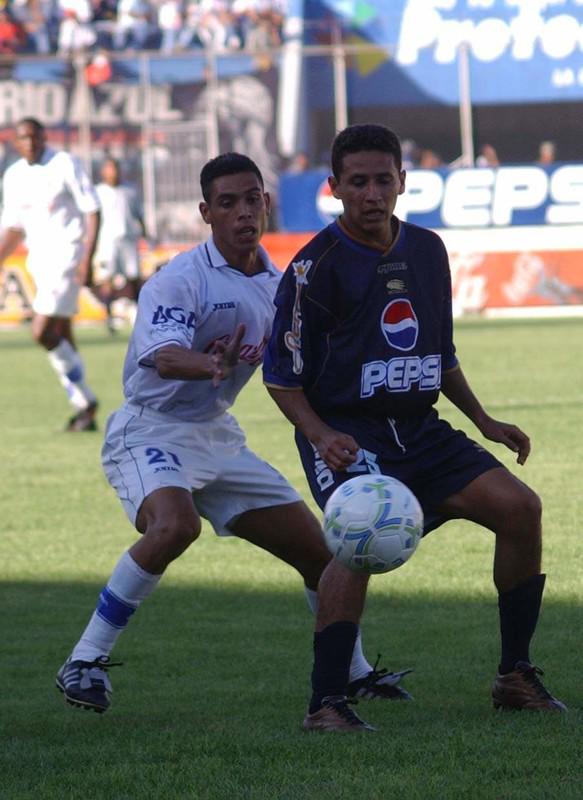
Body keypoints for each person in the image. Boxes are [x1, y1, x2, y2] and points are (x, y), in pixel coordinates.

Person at [55, 152, 410, 717]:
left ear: (265, 205)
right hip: (151, 429)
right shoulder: (178, 280)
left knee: (324, 555)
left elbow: (304, 367)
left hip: (218, 438)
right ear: (206, 212)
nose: (244, 212)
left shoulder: (279, 287)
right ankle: (85, 660)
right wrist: (207, 364)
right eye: (228, 203)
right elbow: (165, 359)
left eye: (253, 199)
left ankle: (354, 671)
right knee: (175, 526)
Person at [263, 123, 566, 732]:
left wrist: (482, 420)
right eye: (358, 183)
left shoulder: (428, 250)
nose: (372, 193)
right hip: (350, 433)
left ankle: (514, 676)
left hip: (420, 430)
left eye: (383, 180)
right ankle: (326, 705)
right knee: (357, 543)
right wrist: (321, 436)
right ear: (334, 188)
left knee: (520, 509)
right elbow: (281, 376)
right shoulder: (312, 268)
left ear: (403, 181)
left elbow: (439, 353)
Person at [0, 117, 101, 432]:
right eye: (23, 139)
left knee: (41, 331)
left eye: (35, 137)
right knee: (62, 334)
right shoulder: (14, 175)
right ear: (15, 143)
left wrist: (87, 256)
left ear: (44, 138)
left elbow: (92, 209)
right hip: (39, 262)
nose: (30, 143)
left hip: (67, 256)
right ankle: (84, 407)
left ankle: (85, 401)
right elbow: (14, 227)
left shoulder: (64, 163)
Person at [93, 156, 147, 333]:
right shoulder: (98, 192)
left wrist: (145, 233)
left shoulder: (130, 190)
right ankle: (109, 318)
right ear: (103, 172)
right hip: (107, 242)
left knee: (134, 277)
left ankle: (138, 315)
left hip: (129, 240)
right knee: (107, 279)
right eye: (109, 169)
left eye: (115, 168)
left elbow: (139, 214)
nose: (113, 172)